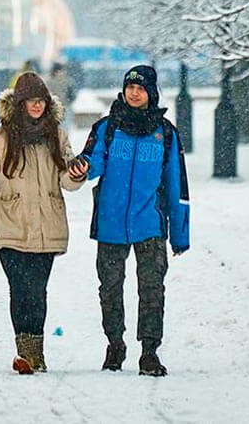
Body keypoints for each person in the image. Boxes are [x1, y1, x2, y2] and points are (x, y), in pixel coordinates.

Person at [0, 72, 88, 374]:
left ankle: (35, 355)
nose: (37, 107)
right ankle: (26, 353)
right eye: (31, 102)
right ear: (20, 104)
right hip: (11, 228)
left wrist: (76, 174)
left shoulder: (57, 136)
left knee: (37, 292)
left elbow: (66, 180)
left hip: (47, 227)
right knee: (21, 289)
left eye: (41, 101)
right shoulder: (0, 140)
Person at [74, 65, 190, 377]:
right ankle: (115, 344)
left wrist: (179, 235)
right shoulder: (106, 128)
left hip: (150, 225)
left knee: (152, 289)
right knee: (109, 288)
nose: (134, 93)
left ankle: (149, 351)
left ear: (151, 92)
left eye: (140, 88)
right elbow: (93, 160)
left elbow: (178, 187)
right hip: (111, 224)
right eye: (130, 87)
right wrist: (82, 166)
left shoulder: (165, 133)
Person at [46, 63, 72, 130]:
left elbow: (72, 94)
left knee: (66, 126)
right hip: (55, 108)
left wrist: (69, 99)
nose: (61, 73)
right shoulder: (50, 82)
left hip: (66, 106)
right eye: (60, 71)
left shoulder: (67, 81)